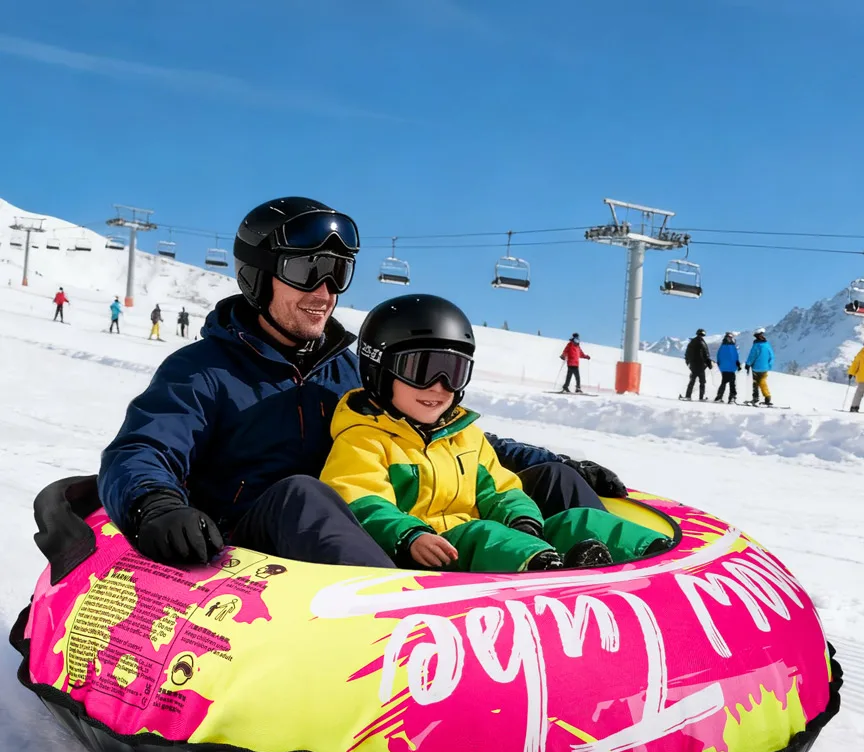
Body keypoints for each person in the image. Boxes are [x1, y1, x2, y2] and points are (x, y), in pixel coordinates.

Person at [98, 196, 627, 568]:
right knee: (303, 493)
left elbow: (449, 437)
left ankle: (606, 603)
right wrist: (156, 506)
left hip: (378, 519)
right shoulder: (203, 371)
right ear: (256, 276)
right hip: (262, 537)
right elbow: (143, 449)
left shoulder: (351, 369)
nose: (325, 292)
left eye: (338, 274)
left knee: (553, 482)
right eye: (308, 272)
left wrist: (549, 461)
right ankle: (400, 621)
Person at [321, 294, 668, 573]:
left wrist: (524, 520)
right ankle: (551, 570)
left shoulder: (465, 436)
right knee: (483, 532)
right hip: (429, 554)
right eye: (421, 370)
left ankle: (658, 558)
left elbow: (501, 489)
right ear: (378, 369)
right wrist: (409, 535)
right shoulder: (362, 438)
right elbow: (362, 503)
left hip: (492, 543)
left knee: (576, 520)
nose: (439, 387)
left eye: (453, 373)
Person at [745, 329, 775, 406]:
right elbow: (772, 356)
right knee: (763, 382)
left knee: (755, 383)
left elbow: (752, 356)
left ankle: (756, 398)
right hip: (765, 368)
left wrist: (748, 364)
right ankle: (767, 397)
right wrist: (769, 365)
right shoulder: (767, 345)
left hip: (756, 368)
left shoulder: (756, 345)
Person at [682, 329, 713, 400]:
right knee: (702, 382)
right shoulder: (701, 342)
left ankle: (688, 396)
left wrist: (689, 363)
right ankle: (700, 397)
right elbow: (705, 354)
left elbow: (687, 355)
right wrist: (708, 363)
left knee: (692, 381)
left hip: (694, 365)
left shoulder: (692, 342)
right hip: (700, 365)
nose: (701, 336)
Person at [713, 332, 740, 403]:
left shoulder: (722, 347)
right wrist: (738, 364)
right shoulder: (732, 347)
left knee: (724, 382)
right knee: (732, 383)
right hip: (731, 368)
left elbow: (718, 356)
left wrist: (720, 365)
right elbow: (735, 357)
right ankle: (732, 398)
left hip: (723, 368)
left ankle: (719, 397)